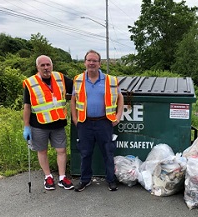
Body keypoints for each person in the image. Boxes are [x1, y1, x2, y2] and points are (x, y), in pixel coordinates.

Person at [71, 49, 124, 192]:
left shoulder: (111, 80)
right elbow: (73, 99)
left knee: (108, 152)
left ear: (100, 64)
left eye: (94, 61)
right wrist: (75, 118)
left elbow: (120, 98)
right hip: (84, 123)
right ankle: (85, 180)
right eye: (89, 60)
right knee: (85, 153)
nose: (91, 63)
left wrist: (118, 116)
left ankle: (111, 180)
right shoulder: (78, 79)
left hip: (104, 122)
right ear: (85, 62)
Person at [23, 55, 74, 190]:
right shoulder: (31, 83)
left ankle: (62, 177)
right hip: (39, 124)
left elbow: (77, 87)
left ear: (52, 65)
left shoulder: (60, 78)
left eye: (48, 65)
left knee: (61, 150)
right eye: (42, 65)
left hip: (58, 123)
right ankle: (48, 177)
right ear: (37, 67)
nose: (46, 68)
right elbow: (27, 106)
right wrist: (26, 126)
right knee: (42, 151)